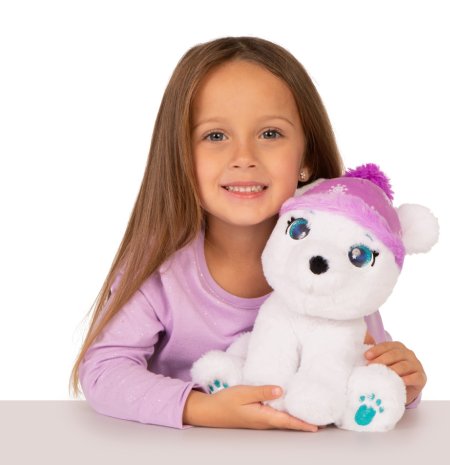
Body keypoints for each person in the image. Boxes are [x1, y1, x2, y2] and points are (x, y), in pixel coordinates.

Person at [69, 36, 426, 432]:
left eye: (270, 134)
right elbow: (103, 371)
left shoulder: (337, 259)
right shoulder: (162, 271)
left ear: (306, 157)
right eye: (215, 136)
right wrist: (204, 409)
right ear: (182, 156)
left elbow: (362, 364)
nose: (244, 158)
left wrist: (403, 382)